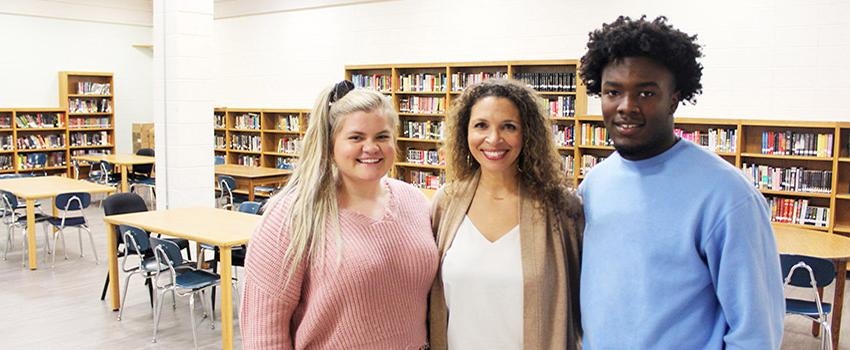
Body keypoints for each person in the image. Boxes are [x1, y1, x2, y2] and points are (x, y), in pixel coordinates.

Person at [577, 16, 784, 349]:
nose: (626, 106)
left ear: (674, 98)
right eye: (613, 92)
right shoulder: (595, 183)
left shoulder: (727, 196)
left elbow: (757, 331)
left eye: (646, 92)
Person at [240, 81, 438, 349]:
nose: (371, 148)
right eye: (356, 137)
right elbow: (263, 334)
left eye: (382, 136)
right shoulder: (292, 215)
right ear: (331, 143)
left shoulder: (415, 202)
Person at [429, 79, 584, 350]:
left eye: (508, 127)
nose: (493, 139)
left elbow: (581, 300)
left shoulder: (560, 208)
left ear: (527, 134)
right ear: (464, 132)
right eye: (481, 125)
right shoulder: (446, 204)